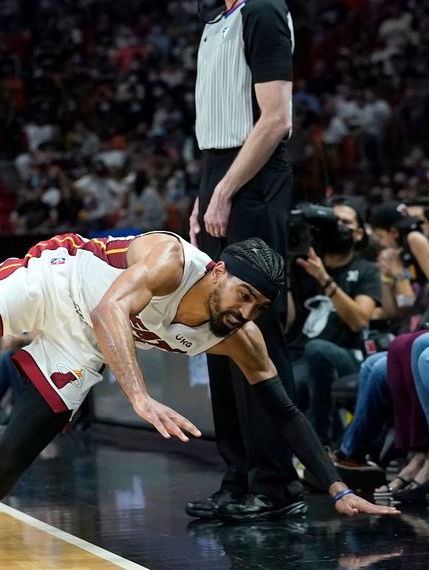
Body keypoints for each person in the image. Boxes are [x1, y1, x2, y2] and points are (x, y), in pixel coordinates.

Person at [0, 233, 398, 543]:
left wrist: (335, 488)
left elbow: (282, 412)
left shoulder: (239, 335)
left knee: (15, 455)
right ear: (219, 271)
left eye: (257, 306)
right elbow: (115, 311)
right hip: (54, 283)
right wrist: (138, 397)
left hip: (80, 345)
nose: (245, 311)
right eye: (242, 295)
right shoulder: (171, 260)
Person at [189, 0, 301, 520]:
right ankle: (237, 477)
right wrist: (206, 192)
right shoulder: (218, 19)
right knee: (217, 327)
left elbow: (277, 118)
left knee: (256, 330)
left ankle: (277, 483)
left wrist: (227, 189)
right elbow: (218, 130)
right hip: (221, 170)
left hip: (254, 180)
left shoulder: (263, 10)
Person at [288, 199, 381, 443]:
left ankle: (322, 445)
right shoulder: (300, 266)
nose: (337, 227)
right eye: (332, 221)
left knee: (316, 350)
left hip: (347, 353)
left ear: (359, 233)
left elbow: (359, 320)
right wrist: (284, 270)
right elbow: (287, 321)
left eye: (345, 222)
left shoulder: (366, 269)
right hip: (299, 353)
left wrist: (324, 278)